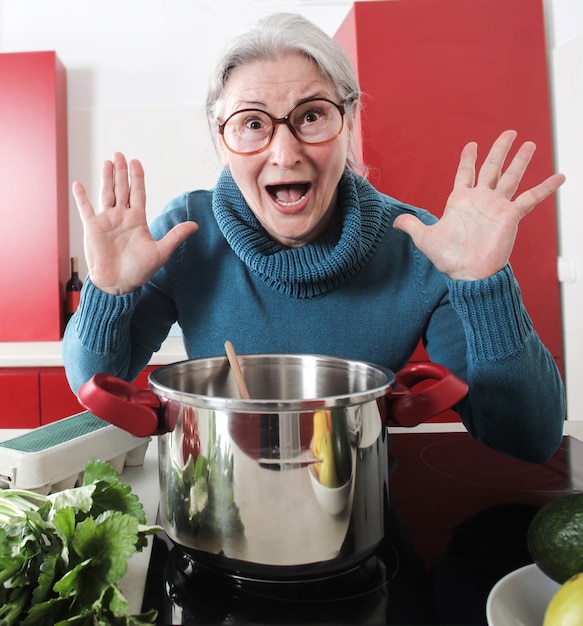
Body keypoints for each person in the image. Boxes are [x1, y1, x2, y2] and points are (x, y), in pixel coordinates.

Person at [63, 12, 566, 464]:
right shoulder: (186, 233)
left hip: (352, 506)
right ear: (221, 140)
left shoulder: (421, 245)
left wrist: (485, 285)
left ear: (348, 122)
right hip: (221, 499)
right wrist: (107, 292)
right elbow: (92, 381)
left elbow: (530, 438)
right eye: (252, 123)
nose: (285, 153)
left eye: (311, 116)